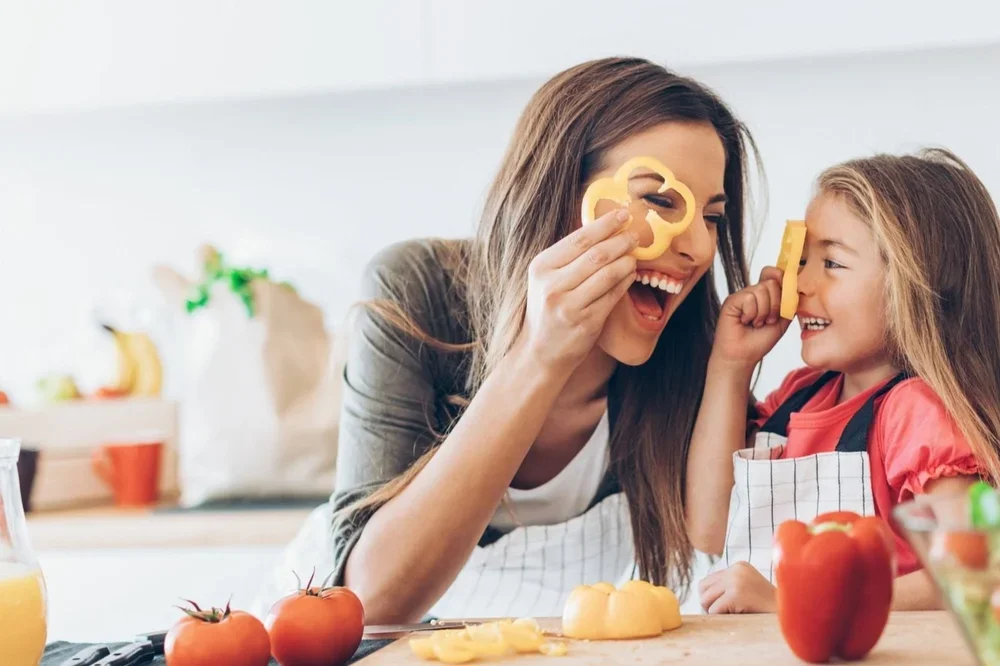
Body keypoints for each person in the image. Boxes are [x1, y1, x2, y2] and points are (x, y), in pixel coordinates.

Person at [328, 56, 761, 624]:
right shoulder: (416, 290)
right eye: (659, 201)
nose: (700, 249)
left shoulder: (692, 352)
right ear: (559, 192)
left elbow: (718, 542)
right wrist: (539, 356)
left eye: (712, 216)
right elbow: (372, 604)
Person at [686, 148, 1000, 613]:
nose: (799, 286)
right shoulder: (798, 397)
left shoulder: (917, 413)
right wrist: (730, 365)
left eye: (831, 263)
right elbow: (710, 528)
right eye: (801, 262)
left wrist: (797, 602)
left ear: (913, 285)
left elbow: (976, 572)